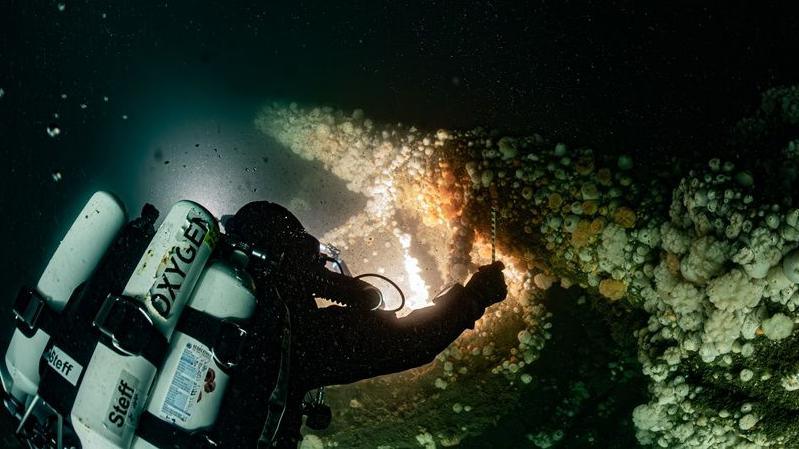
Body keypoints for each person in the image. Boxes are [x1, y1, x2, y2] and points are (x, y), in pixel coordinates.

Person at [222, 201, 508, 449]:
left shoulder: (230, 324)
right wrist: (474, 297)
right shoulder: (294, 337)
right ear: (289, 255)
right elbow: (411, 343)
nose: (319, 269)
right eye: (310, 257)